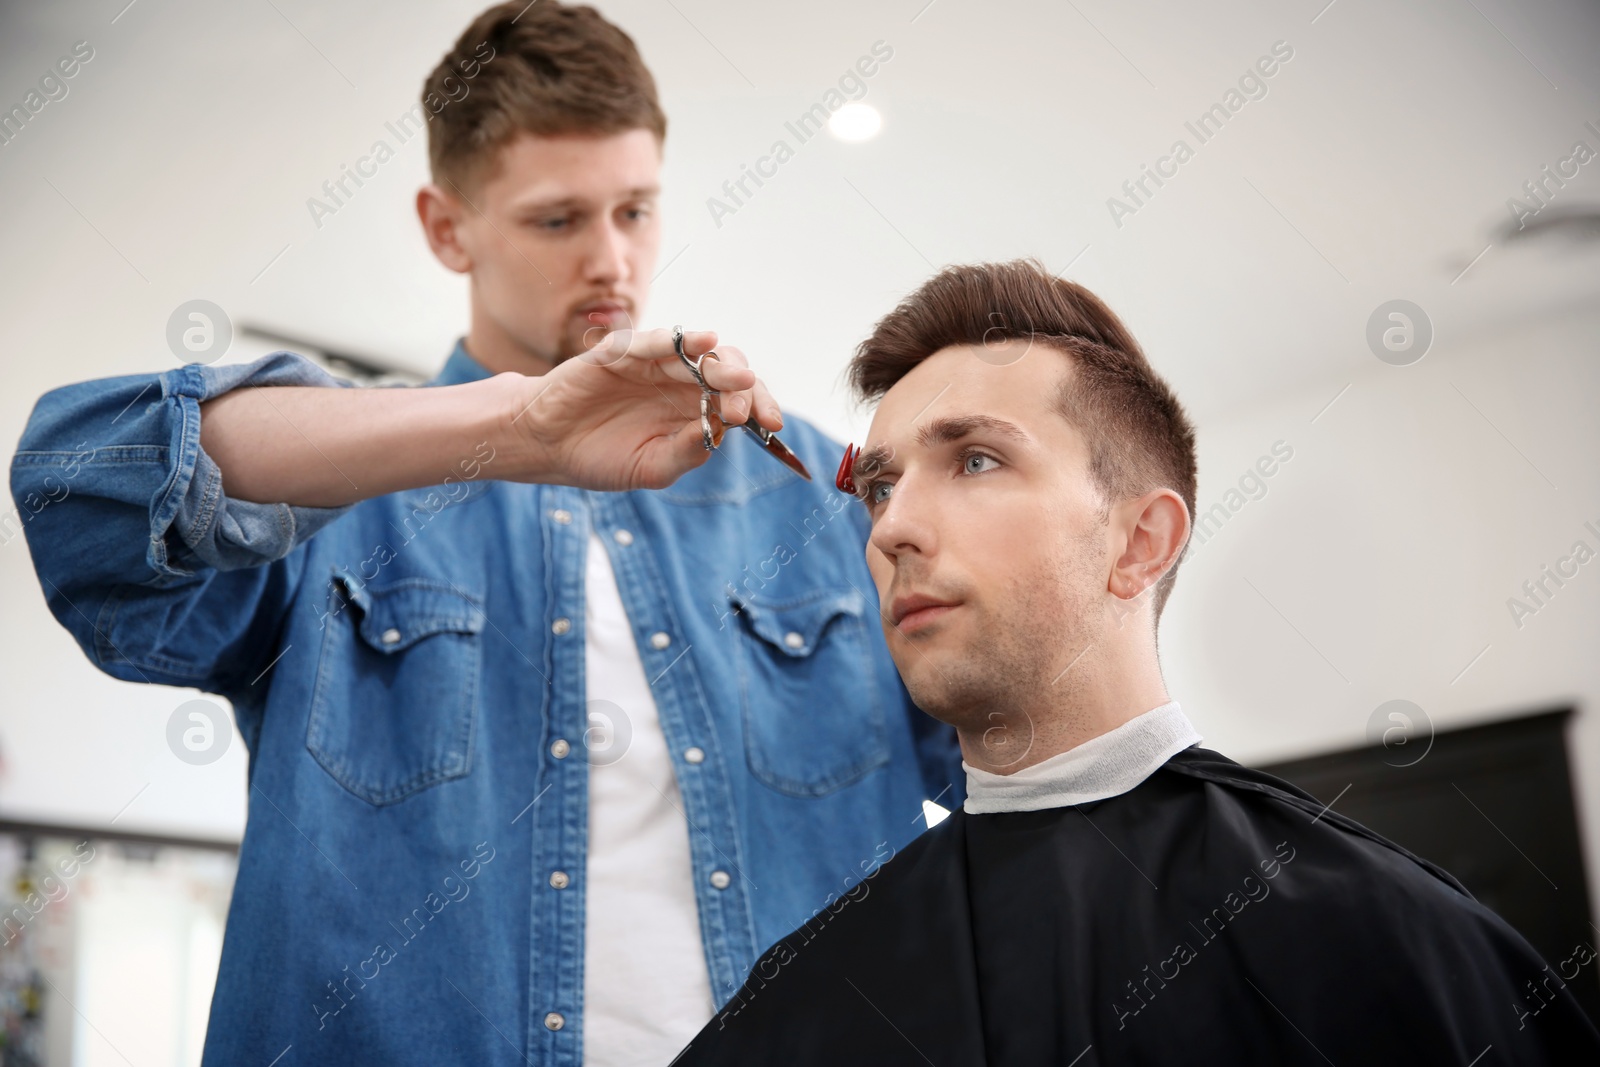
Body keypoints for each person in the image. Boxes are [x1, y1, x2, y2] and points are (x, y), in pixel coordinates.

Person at [7, 4, 960, 1064]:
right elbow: (76, 480)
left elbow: (1018, 761)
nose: (614, 262)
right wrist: (517, 423)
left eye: (636, 210)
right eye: (558, 220)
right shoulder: (346, 490)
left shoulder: (816, 499)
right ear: (445, 225)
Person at [670, 260, 1600, 1065]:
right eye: (880, 485)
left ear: (1140, 542)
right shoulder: (811, 996)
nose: (893, 528)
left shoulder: (1381, 940)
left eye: (978, 461)